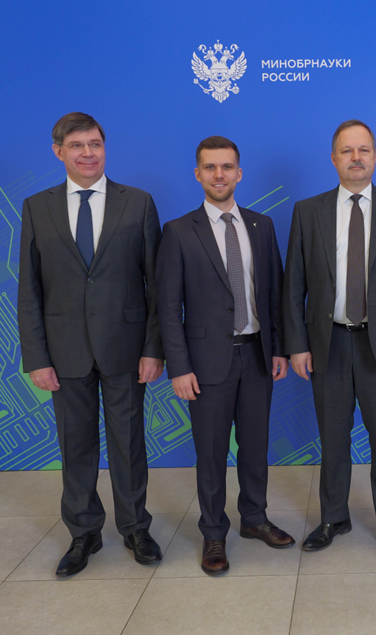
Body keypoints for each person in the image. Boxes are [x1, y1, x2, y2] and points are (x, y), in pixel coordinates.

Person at [18, 112, 164, 576]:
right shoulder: (36, 207)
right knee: (76, 445)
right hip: (64, 353)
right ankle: (84, 533)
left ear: (105, 147)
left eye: (95, 144)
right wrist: (36, 357)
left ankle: (136, 528)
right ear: (58, 151)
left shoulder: (137, 203)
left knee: (129, 444)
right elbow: (29, 289)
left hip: (126, 348)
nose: (88, 153)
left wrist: (153, 348)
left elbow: (157, 285)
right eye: (77, 145)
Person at [284, 120, 376, 562]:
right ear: (334, 159)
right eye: (347, 151)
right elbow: (293, 285)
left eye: (364, 150)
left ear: (375, 156)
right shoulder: (308, 211)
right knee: (333, 439)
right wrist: (297, 344)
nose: (356, 158)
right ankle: (333, 517)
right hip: (327, 344)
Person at [156, 136, 293, 576]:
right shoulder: (179, 231)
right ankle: (214, 531)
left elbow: (274, 293)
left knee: (255, 447)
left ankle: (254, 518)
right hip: (205, 363)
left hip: (257, 356)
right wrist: (179, 367)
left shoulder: (261, 225)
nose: (220, 175)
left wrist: (279, 349)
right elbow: (167, 307)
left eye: (227, 167)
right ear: (198, 174)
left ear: (239, 173)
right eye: (211, 167)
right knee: (212, 453)